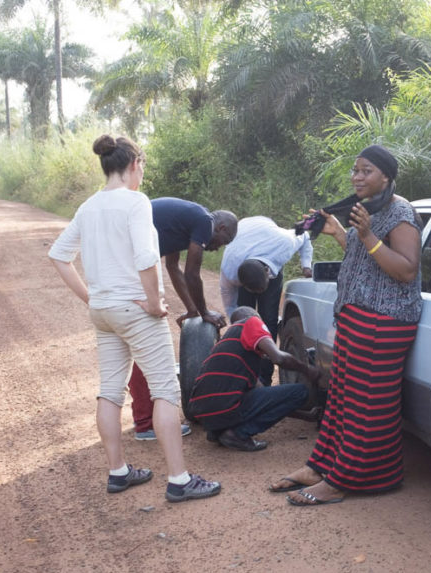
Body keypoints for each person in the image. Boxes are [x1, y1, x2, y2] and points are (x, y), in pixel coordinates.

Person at [48, 134, 221, 503]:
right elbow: (146, 258)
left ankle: (119, 472)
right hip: (135, 309)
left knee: (110, 389)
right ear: (133, 165)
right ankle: (179, 479)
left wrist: (90, 297)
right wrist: (154, 302)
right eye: (141, 166)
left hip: (104, 311)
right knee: (165, 390)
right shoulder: (136, 202)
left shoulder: (88, 206)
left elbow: (60, 256)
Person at [268, 144, 422, 506]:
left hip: (385, 321)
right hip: (357, 318)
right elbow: (365, 259)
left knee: (367, 405)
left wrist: (367, 236)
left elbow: (406, 269)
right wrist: (339, 232)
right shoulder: (367, 211)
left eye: (366, 170)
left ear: (386, 175)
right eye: (355, 170)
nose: (357, 176)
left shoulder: (400, 212)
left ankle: (345, 479)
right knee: (340, 399)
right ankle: (322, 466)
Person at [128, 197, 238, 440]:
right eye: (223, 241)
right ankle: (147, 423)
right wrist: (205, 313)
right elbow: (191, 274)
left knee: (138, 349)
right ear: (220, 228)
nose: (218, 247)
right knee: (151, 349)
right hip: (131, 271)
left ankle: (145, 418)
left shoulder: (184, 222)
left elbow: (172, 267)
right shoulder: (203, 221)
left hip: (126, 265)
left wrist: (192, 310)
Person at [187, 306, 320, 451]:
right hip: (223, 406)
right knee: (300, 392)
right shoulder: (252, 322)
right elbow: (278, 357)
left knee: (246, 400)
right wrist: (307, 370)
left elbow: (268, 402)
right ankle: (238, 433)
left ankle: (218, 431)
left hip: (204, 412)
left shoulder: (229, 346)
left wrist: (306, 416)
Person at [219, 215, 314, 385]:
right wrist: (236, 324)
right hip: (242, 246)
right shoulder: (230, 271)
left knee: (268, 322)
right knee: (244, 324)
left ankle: (265, 378)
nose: (259, 292)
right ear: (242, 283)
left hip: (267, 237)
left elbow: (304, 235)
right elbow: (230, 304)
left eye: (261, 288)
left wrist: (306, 266)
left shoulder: (285, 244)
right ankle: (247, 376)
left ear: (266, 272)